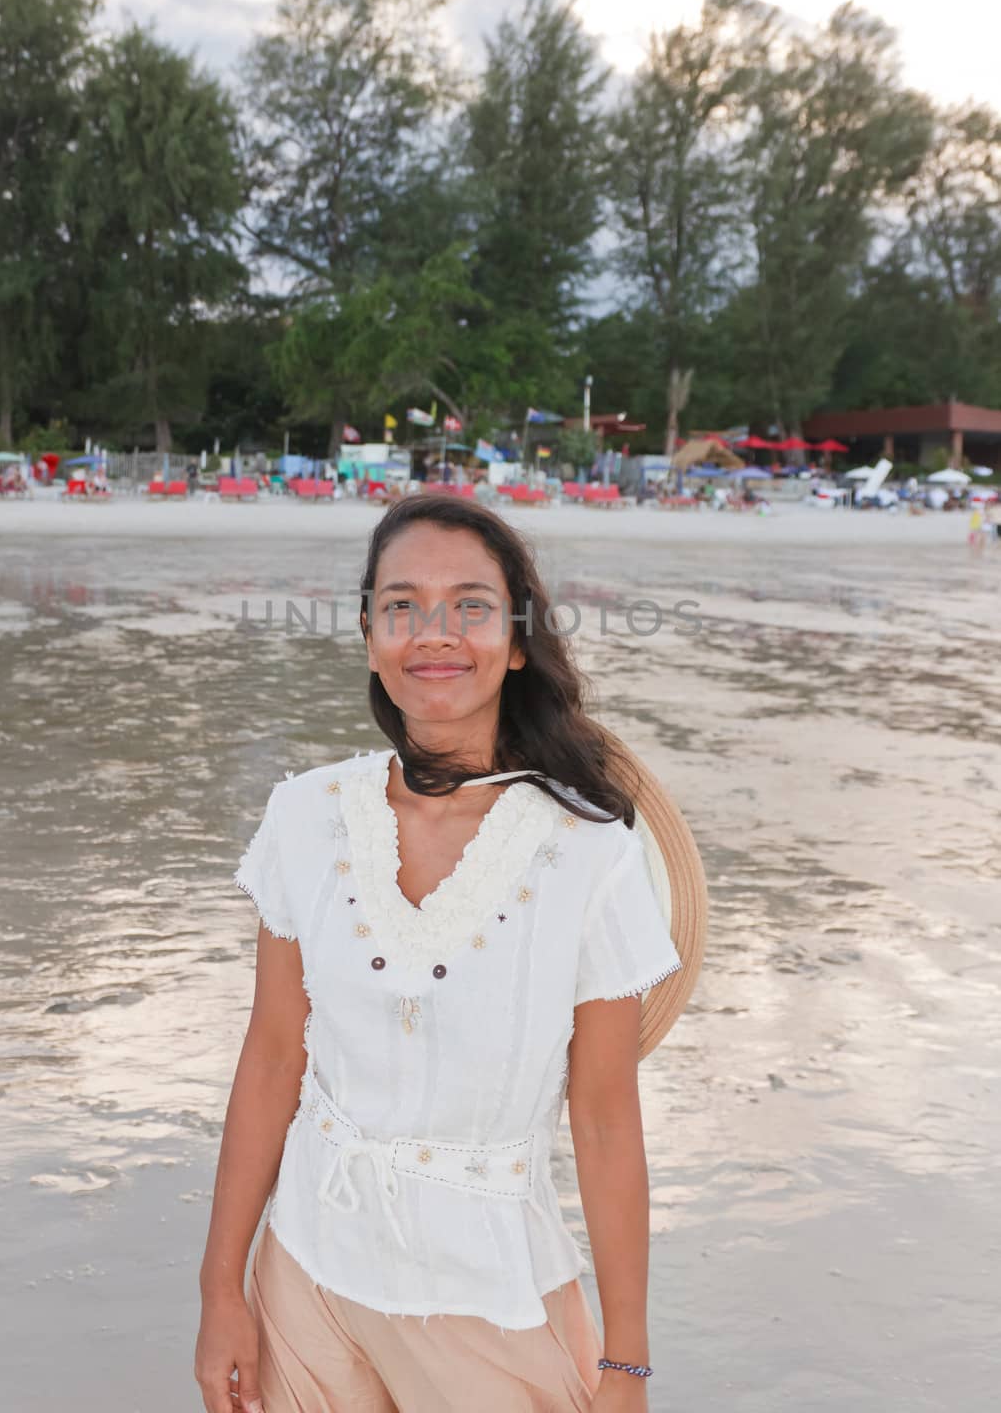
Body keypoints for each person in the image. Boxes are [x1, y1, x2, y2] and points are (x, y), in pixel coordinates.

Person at [196, 493, 691, 1413]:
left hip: (491, 1296)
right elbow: (271, 1061)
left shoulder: (590, 852)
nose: (434, 634)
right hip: (304, 1271)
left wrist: (626, 1364)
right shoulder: (305, 813)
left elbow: (604, 1122)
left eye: (469, 605)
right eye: (401, 605)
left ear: (515, 642)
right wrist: (220, 1290)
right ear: (369, 634)